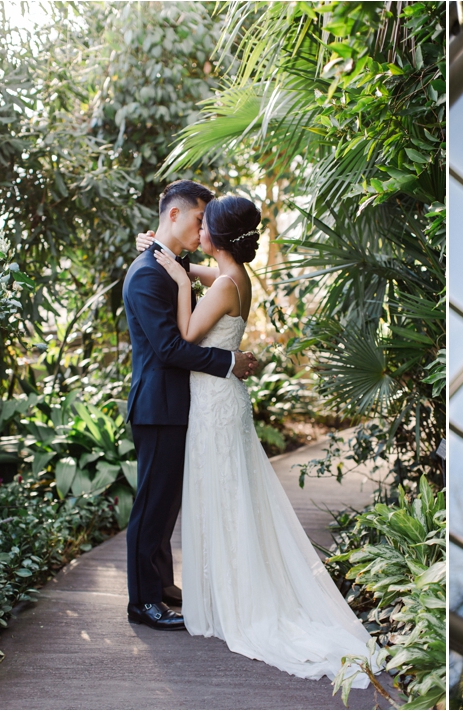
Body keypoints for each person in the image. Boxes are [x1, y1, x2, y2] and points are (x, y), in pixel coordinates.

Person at [137, 194, 375, 685]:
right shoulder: (235, 279)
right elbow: (212, 279)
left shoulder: (221, 284)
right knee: (230, 496)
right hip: (220, 402)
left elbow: (181, 335)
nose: (198, 230)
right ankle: (217, 589)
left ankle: (234, 598)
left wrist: (181, 280)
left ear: (216, 238)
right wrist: (175, 262)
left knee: (223, 497)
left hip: (214, 406)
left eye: (205, 225)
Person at [122, 180, 259, 631]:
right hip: (158, 407)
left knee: (165, 508)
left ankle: (161, 586)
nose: (204, 227)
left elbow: (202, 280)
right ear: (175, 215)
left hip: (181, 406)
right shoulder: (147, 273)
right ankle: (142, 603)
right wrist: (228, 362)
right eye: (200, 218)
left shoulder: (171, 265)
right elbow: (167, 348)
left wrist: (181, 268)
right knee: (152, 508)